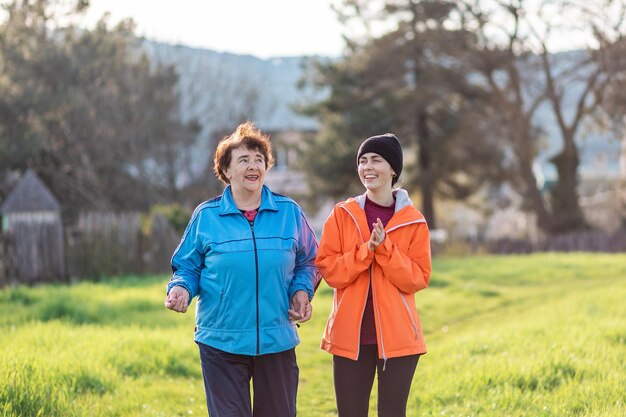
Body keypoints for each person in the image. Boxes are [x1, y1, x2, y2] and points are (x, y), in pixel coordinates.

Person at [164, 121, 319, 417]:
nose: (253, 166)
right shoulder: (206, 216)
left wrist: (301, 289)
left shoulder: (289, 213)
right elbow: (187, 265)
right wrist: (181, 288)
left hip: (277, 339)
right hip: (221, 341)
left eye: (259, 160)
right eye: (244, 159)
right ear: (226, 170)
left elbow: (309, 261)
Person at [315, 133, 432, 417]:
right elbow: (330, 270)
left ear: (393, 169)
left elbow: (417, 278)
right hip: (350, 339)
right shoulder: (342, 214)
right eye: (362, 161)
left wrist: (385, 250)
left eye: (376, 160)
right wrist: (366, 251)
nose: (367, 167)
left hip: (400, 339)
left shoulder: (414, 221)